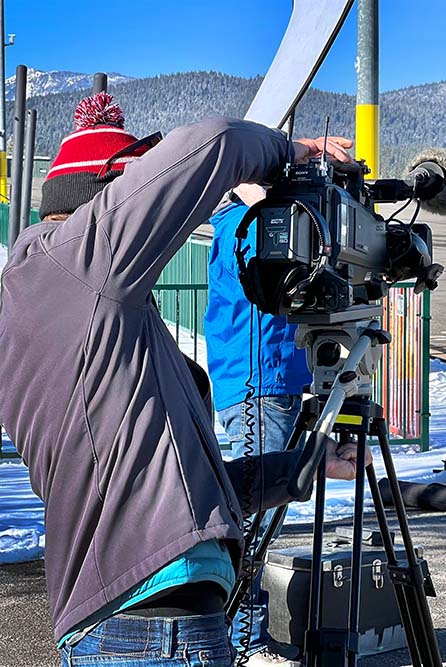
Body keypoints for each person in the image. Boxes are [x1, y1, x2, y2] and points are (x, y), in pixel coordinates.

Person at [0, 93, 367, 666]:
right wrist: (293, 154)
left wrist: (305, 467)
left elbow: (166, 497)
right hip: (153, 632)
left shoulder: (69, 314)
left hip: (135, 623)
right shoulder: (79, 261)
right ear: (109, 203)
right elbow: (216, 141)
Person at [204, 188, 313, 666]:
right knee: (253, 519)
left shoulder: (252, 221)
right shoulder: (243, 226)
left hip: (275, 378)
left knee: (266, 512)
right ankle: (243, 641)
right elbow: (268, 283)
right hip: (257, 383)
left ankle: (242, 635)